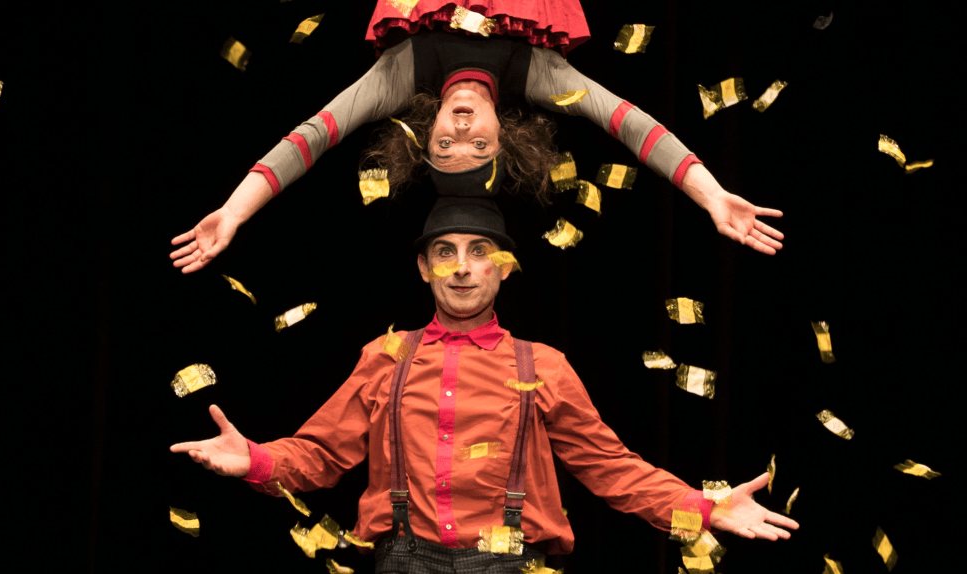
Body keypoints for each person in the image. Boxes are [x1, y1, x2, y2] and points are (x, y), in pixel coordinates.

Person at [169, 193, 799, 573]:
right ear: (424, 268)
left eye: (479, 252)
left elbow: (611, 469)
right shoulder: (385, 356)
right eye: (445, 252)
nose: (462, 268)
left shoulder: (543, 365)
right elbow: (322, 454)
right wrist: (254, 460)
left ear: (503, 268)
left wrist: (706, 507)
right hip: (402, 561)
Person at [169, 0, 784, 274]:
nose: (461, 132)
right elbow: (631, 124)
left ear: (427, 130)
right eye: (478, 147)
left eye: (445, 146)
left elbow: (312, 138)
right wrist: (712, 196)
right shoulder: (539, 75)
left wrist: (234, 211)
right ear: (505, 137)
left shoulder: (400, 75)